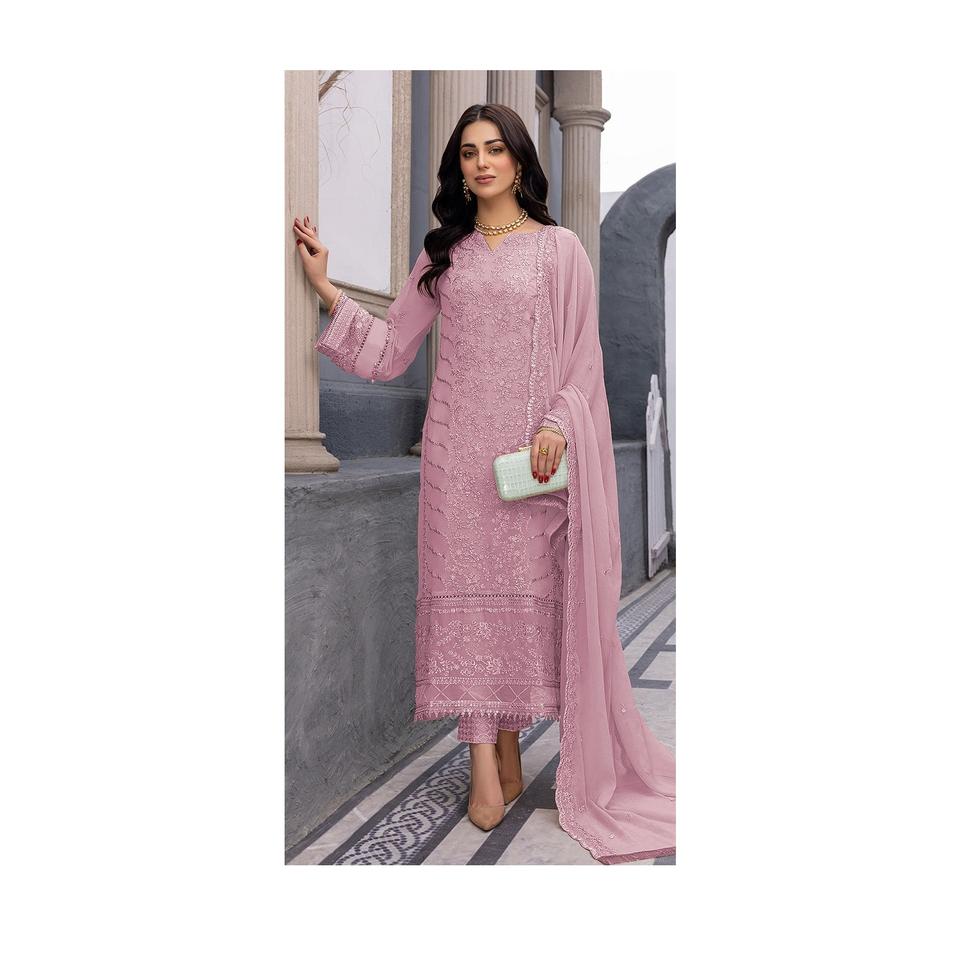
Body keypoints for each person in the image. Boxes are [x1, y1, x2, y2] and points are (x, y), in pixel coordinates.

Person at [293, 103, 676, 862]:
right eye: (468, 153)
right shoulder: (444, 254)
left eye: (494, 149)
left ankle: (507, 745)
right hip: (455, 462)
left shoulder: (561, 250)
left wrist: (556, 424)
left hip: (531, 464)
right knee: (463, 609)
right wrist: (327, 288)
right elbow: (392, 350)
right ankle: (482, 761)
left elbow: (583, 356)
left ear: (519, 159)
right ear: (459, 169)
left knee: (518, 612)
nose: (481, 163)